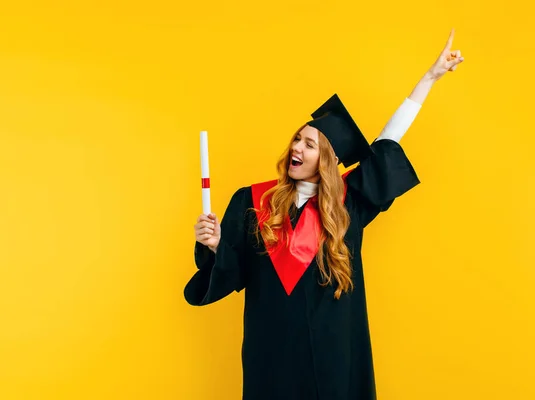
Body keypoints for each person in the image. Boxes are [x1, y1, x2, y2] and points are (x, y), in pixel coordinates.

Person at [185, 29, 464, 400]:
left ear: (328, 160)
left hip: (333, 350)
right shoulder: (252, 202)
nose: (297, 147)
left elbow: (386, 143)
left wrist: (429, 79)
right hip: (271, 349)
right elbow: (233, 271)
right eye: (297, 139)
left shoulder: (349, 204)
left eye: (310, 143)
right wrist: (216, 245)